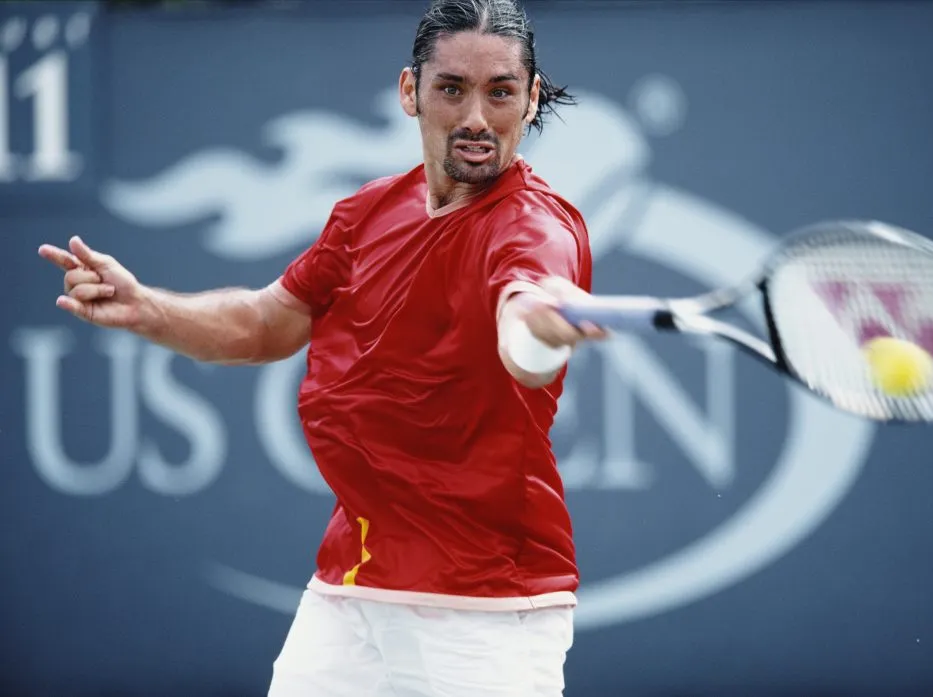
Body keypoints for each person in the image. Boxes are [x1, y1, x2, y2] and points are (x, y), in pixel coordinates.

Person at [39, 0, 605, 694]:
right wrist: (148, 309)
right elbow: (266, 321)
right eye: (452, 88)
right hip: (352, 585)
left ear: (531, 98)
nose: (477, 119)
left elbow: (523, 333)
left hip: (485, 609)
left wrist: (539, 322)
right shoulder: (367, 211)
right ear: (411, 92)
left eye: (501, 91)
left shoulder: (535, 229)